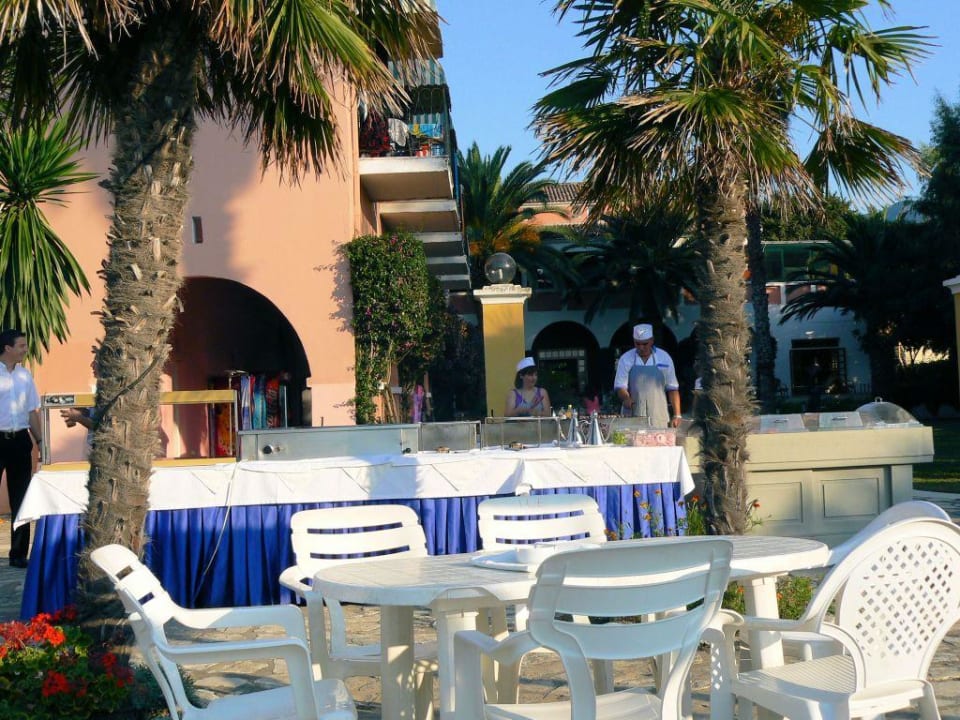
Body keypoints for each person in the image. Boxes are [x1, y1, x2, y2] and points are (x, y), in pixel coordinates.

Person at [0, 329, 43, 568]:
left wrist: (40, 441)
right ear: (7, 348)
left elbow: (31, 412)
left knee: (22, 498)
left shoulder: (25, 376)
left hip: (19, 440)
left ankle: (18, 554)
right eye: (21, 346)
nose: (25, 350)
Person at [614, 323, 681, 428]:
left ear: (652, 340)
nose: (641, 347)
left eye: (645, 344)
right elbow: (620, 386)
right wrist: (626, 398)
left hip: (658, 414)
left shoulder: (664, 357)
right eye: (637, 344)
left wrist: (677, 415)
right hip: (633, 413)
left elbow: (672, 388)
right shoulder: (626, 359)